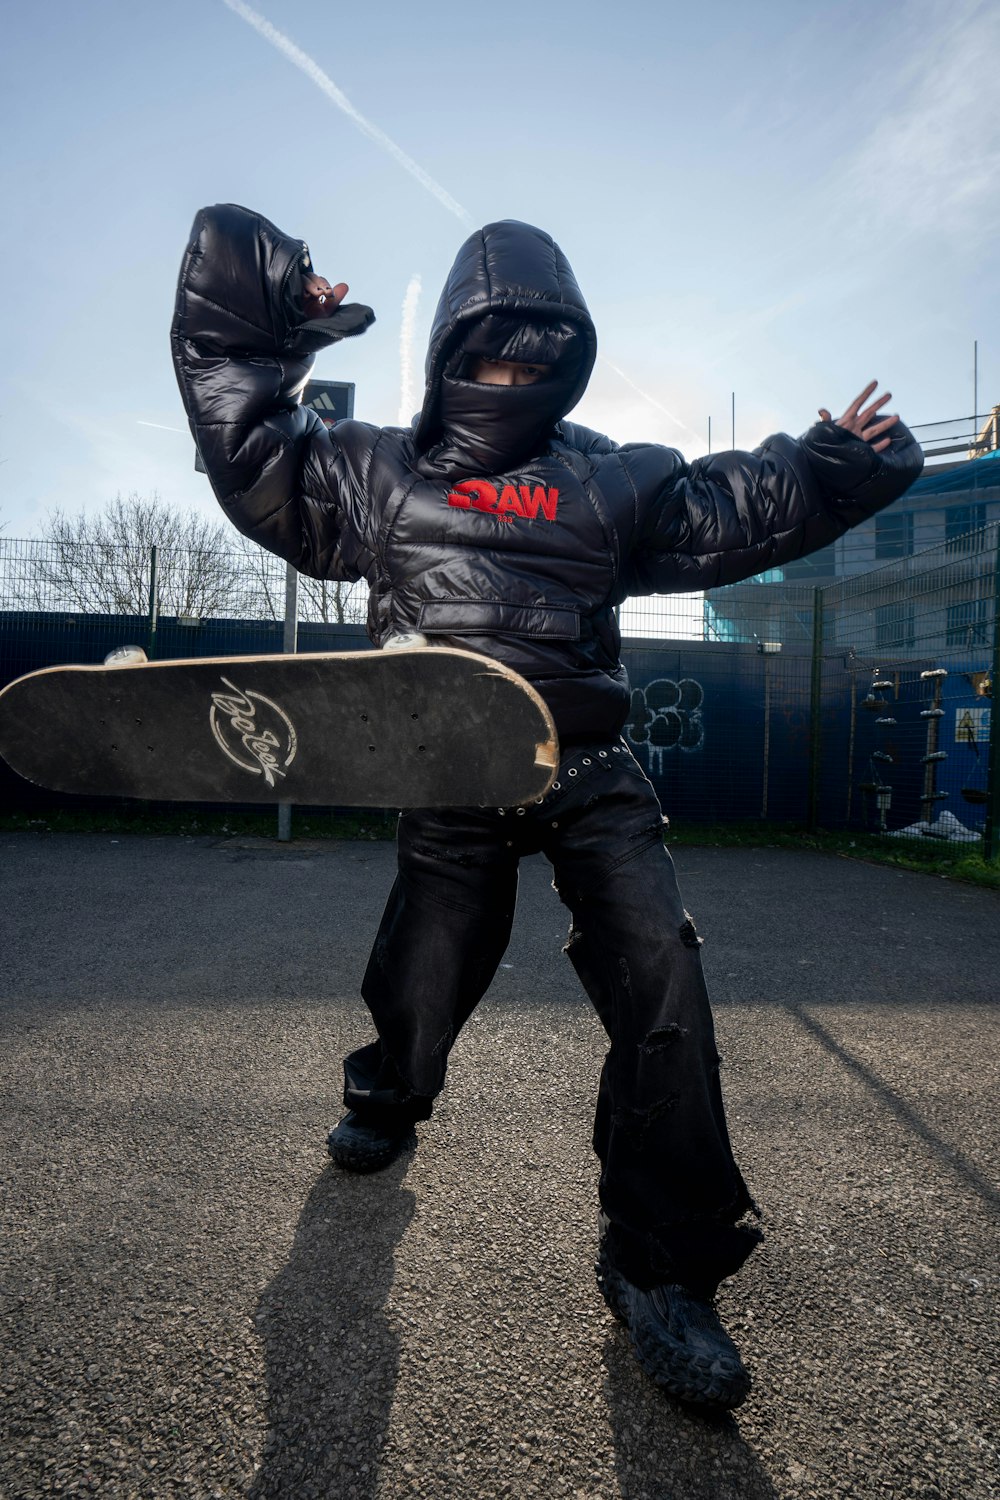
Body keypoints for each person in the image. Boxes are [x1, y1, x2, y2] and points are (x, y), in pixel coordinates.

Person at [171, 204, 923, 1409]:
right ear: (452, 355)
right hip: (448, 767)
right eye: (490, 353)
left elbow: (733, 505)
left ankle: (659, 1269)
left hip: (585, 766)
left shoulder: (608, 480)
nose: (512, 374)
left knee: (660, 978)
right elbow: (251, 449)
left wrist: (829, 460)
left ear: (569, 352)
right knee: (428, 966)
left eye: (536, 352)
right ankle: (388, 1094)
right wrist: (261, 322)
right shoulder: (377, 468)